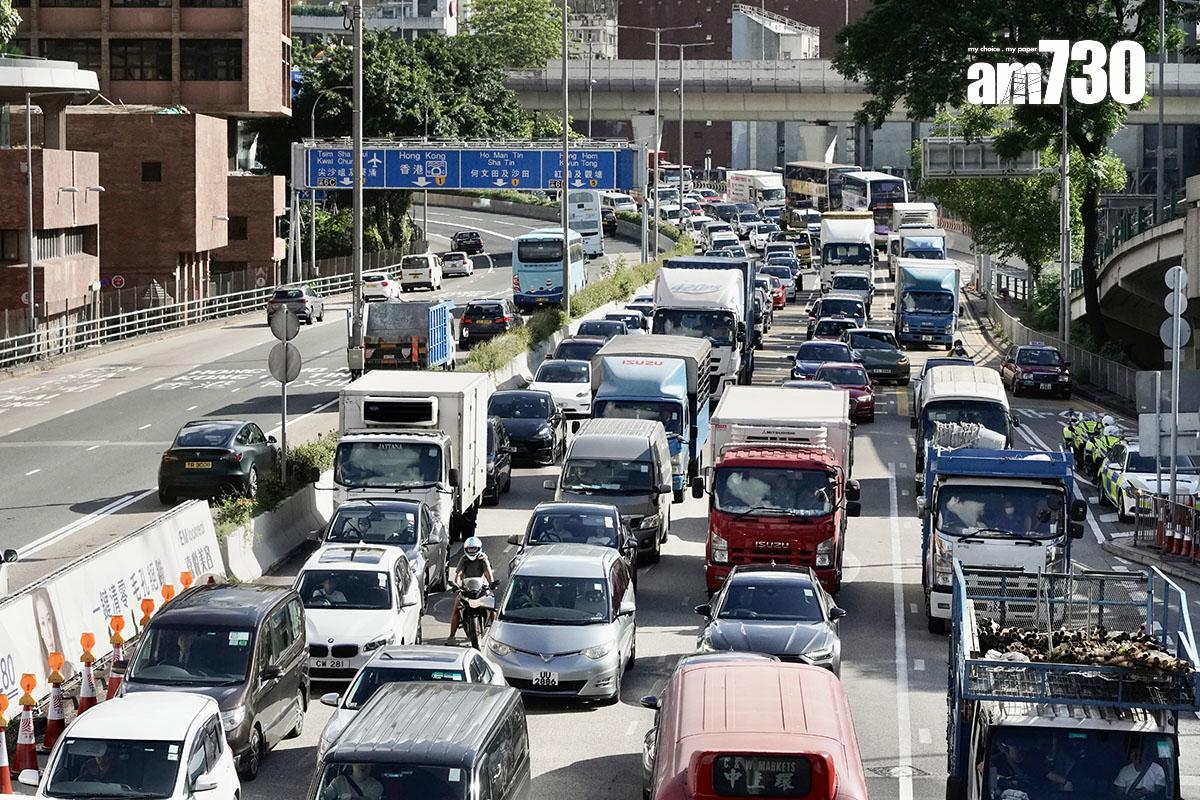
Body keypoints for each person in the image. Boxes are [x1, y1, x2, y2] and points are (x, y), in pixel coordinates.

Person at [448, 537, 495, 641]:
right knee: (456, 608)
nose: (472, 551)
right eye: (470, 549)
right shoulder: (463, 559)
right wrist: (456, 584)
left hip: (481, 587)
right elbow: (459, 574)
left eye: (474, 549)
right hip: (466, 588)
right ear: (466, 549)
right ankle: (451, 636)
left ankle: (496, 633)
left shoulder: (483, 558)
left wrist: (491, 584)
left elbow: (488, 573)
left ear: (479, 548)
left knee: (492, 606)